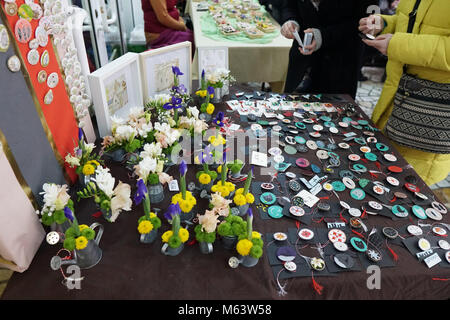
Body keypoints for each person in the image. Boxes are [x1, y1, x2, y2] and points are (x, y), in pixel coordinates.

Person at [359, 0, 450, 185]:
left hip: (429, 113)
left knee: (409, 190)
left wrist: (398, 44)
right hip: (396, 102)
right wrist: (384, 23)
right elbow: (412, 23)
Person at [280, 0, 376, 98]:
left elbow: (367, 23)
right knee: (292, 107)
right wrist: (291, 21)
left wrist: (324, 35)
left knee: (335, 109)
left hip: (340, 62)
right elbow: (289, 5)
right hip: (302, 59)